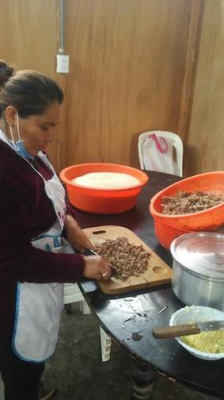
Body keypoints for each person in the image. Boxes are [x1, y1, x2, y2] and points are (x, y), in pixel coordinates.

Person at [0, 60, 112, 400]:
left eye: (54, 126)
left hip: (38, 276)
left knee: (29, 364)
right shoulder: (4, 173)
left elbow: (52, 194)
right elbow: (14, 261)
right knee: (17, 364)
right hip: (12, 294)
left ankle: (31, 381)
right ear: (12, 116)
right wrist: (82, 266)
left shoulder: (27, 149)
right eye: (44, 126)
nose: (50, 136)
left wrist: (71, 224)